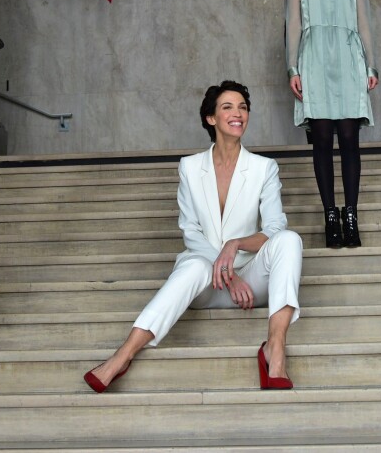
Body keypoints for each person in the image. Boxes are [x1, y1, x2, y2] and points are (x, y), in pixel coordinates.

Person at [83, 81, 303, 393]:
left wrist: (236, 244)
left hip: (253, 284)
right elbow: (191, 231)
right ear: (211, 118)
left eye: (243, 107)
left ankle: (275, 350)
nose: (238, 113)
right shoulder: (190, 167)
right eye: (228, 107)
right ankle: (123, 355)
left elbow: (273, 229)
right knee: (194, 265)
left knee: (289, 240)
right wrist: (227, 272)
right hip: (207, 283)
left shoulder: (263, 168)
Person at [285, 0, 379, 248]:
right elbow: (293, 26)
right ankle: (330, 216)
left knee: (350, 137)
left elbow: (364, 22)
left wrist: (371, 65)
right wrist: (293, 69)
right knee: (322, 138)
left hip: (349, 60)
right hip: (314, 62)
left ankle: (350, 215)